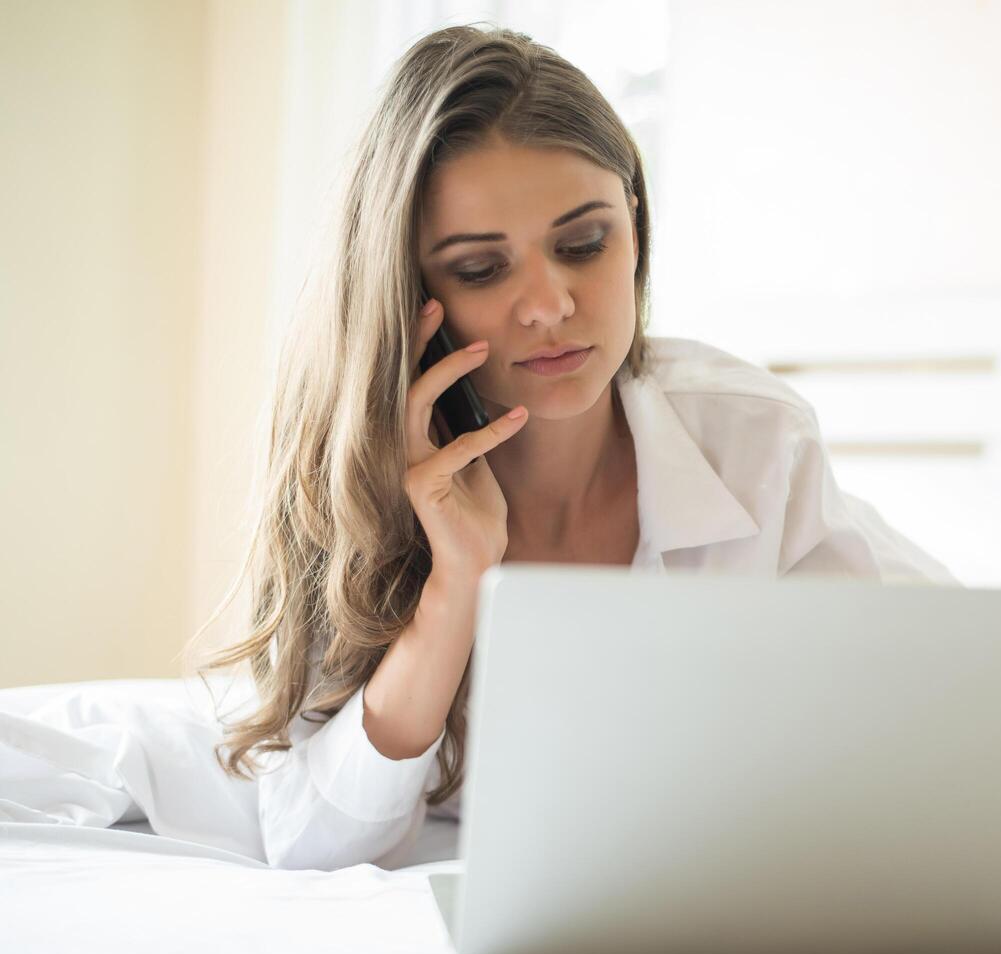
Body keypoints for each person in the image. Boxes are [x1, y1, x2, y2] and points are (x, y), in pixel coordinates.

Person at [186, 24, 958, 872]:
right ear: (412, 291)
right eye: (481, 268)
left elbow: (936, 717)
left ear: (634, 222)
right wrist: (455, 585)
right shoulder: (350, 473)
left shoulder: (753, 439)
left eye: (583, 245)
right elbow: (310, 845)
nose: (549, 305)